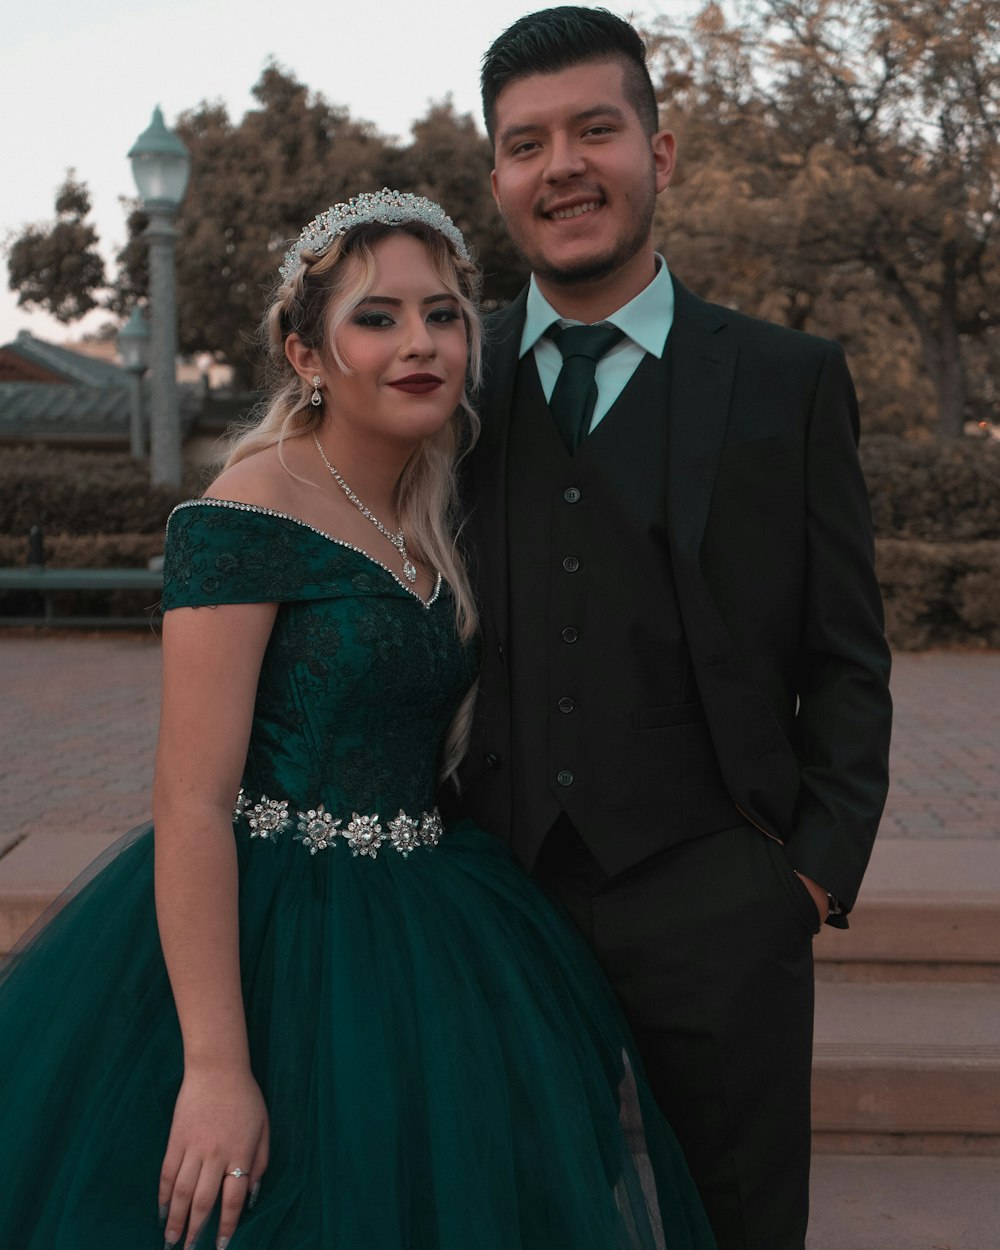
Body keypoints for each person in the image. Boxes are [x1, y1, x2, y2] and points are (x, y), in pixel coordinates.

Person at [0, 190, 717, 1250]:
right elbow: (189, 800)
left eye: (442, 313)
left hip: (432, 922)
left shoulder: (435, 505)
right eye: (376, 316)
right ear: (306, 351)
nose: (418, 341)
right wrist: (214, 1065)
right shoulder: (250, 507)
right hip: (273, 935)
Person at [455, 10, 893, 1250]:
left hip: (723, 892)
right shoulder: (449, 383)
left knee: (743, 1223)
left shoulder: (785, 378)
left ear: (662, 149)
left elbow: (847, 652)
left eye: (596, 129)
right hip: (497, 892)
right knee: (513, 1216)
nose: (563, 167)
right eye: (525, 143)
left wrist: (807, 873)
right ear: (496, 177)